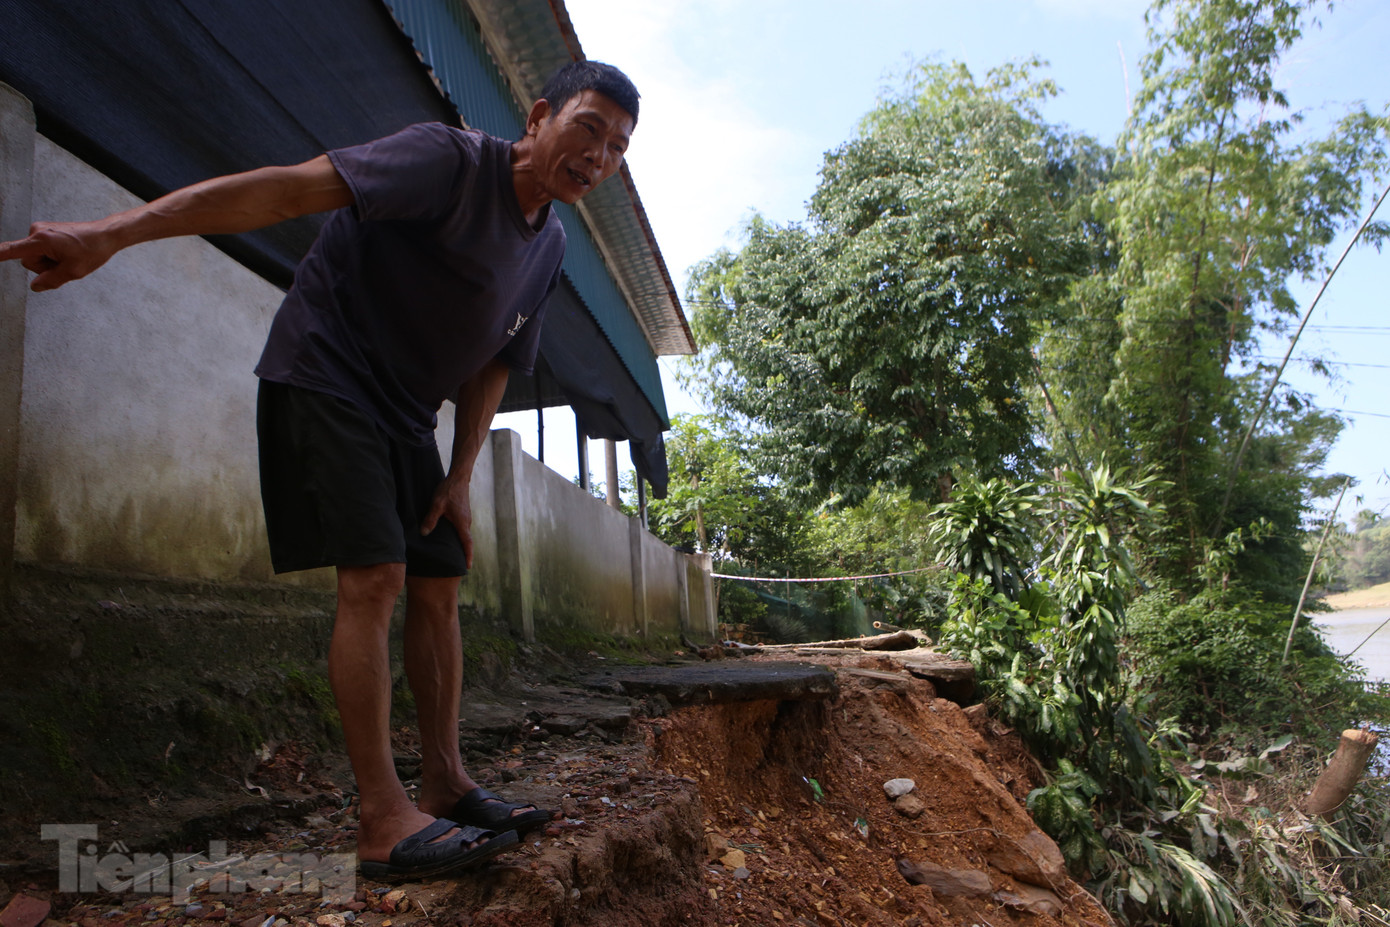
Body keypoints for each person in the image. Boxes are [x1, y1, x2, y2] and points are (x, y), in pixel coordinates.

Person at [0, 60, 639, 882]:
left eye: (617, 149)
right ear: (540, 116)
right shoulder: (446, 161)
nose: (598, 156)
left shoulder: (548, 245)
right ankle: (380, 816)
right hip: (325, 371)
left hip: (408, 414)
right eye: (588, 130)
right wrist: (113, 232)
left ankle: (444, 781)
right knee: (375, 575)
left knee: (441, 576)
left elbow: (497, 359)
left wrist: (459, 473)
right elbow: (284, 191)